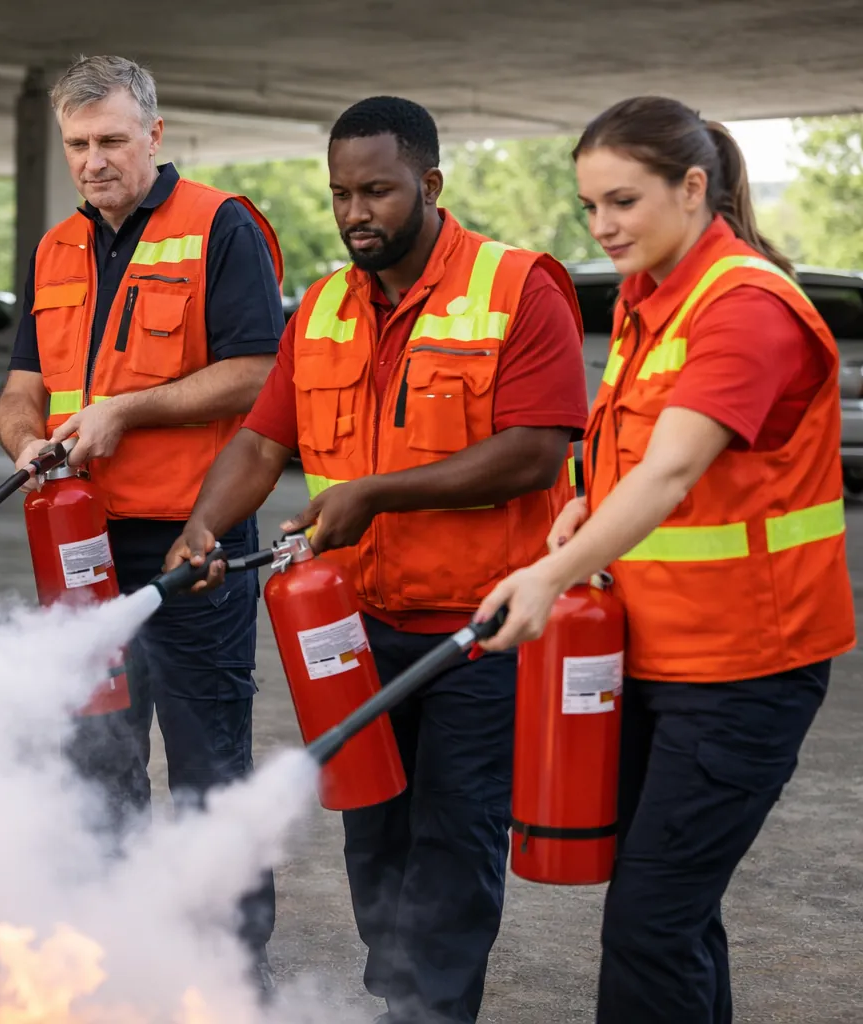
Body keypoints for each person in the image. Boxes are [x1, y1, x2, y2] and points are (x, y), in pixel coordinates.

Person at [165, 96, 588, 1023]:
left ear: (429, 184)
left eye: (377, 192)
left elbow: (536, 449)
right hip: (355, 629)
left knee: (454, 834)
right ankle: (399, 994)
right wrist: (204, 525)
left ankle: (429, 1011)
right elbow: (260, 442)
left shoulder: (519, 287)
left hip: (481, 630)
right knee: (373, 829)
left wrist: (376, 493)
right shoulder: (323, 307)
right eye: (340, 194)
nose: (355, 212)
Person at [477, 96, 855, 1024]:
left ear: (692, 188)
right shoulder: (653, 297)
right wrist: (582, 498)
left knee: (652, 923)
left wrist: (548, 575)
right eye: (589, 206)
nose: (602, 226)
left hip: (744, 669)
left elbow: (675, 468)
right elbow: (627, 452)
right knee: (672, 914)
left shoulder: (745, 307)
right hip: (657, 652)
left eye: (623, 201)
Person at [0, 54, 286, 984]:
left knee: (208, 764)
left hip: (189, 542)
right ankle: (113, 959)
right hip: (77, 543)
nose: (94, 160)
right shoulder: (56, 248)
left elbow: (257, 372)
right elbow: (23, 386)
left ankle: (227, 973)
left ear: (154, 135)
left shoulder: (220, 227)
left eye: (113, 140)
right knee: (96, 755)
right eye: (77, 144)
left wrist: (125, 410)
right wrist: (25, 440)